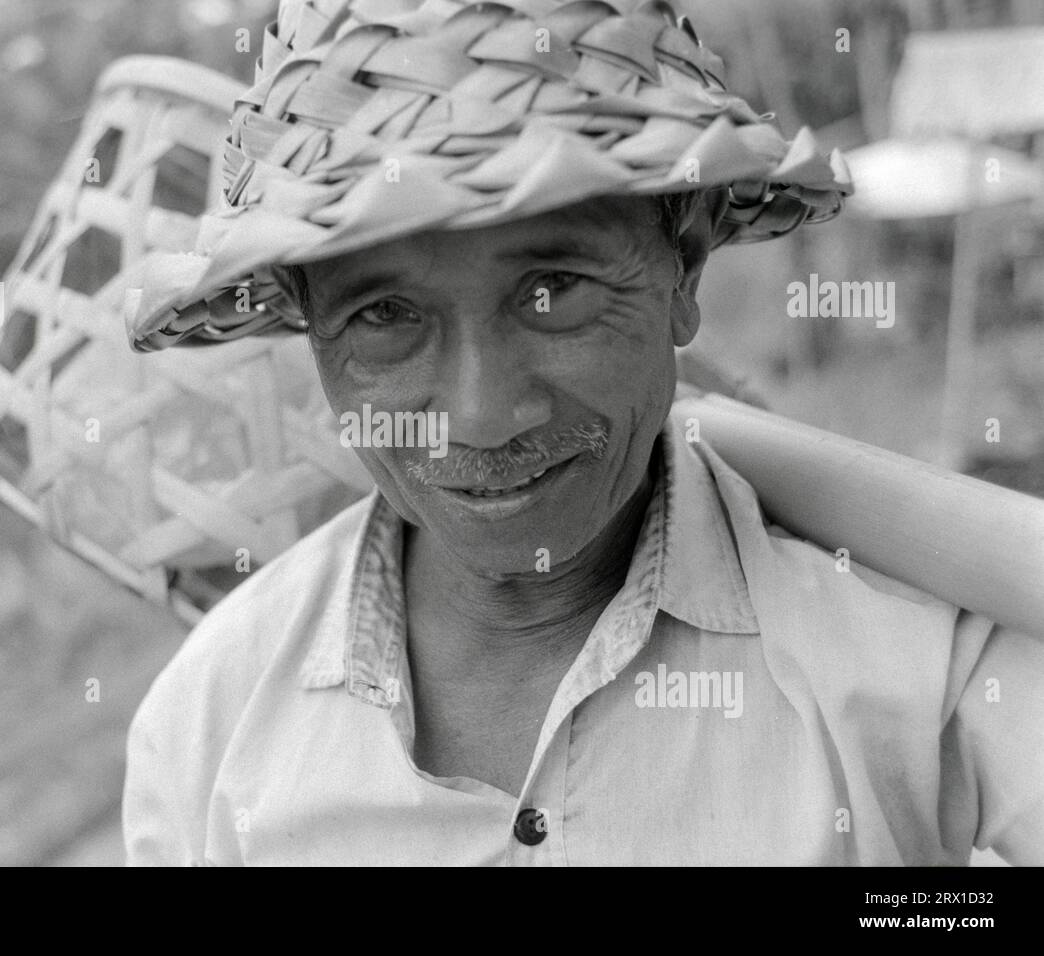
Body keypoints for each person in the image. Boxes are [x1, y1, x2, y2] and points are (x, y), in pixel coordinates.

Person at [121, 0, 1043, 865]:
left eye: (551, 292)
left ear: (681, 268)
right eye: (385, 316)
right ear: (307, 321)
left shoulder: (917, 667)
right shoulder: (208, 733)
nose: (481, 416)